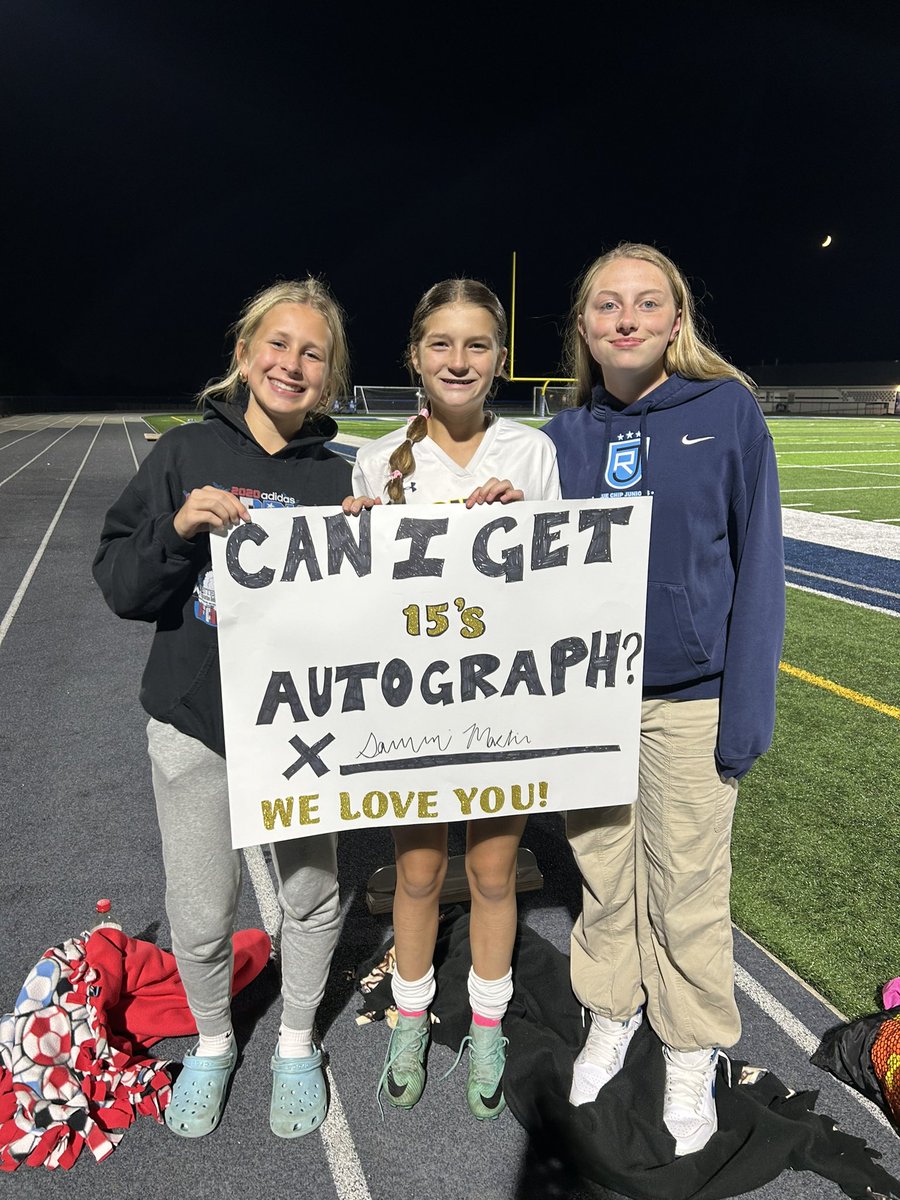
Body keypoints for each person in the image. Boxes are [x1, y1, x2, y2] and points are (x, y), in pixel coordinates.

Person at [92, 278, 353, 1140]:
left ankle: (293, 1041)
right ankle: (212, 1040)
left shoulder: (341, 477)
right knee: (202, 909)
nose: (293, 364)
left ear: (330, 376)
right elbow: (121, 587)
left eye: (313, 353)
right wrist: (173, 530)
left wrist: (376, 543)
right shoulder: (181, 456)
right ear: (244, 354)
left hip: (302, 730)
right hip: (195, 725)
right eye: (278, 344)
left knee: (312, 894)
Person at [543, 243, 785, 1156]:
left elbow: (759, 562)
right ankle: (613, 1010)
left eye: (648, 303)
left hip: (691, 701)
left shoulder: (726, 412)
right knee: (605, 875)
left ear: (677, 322)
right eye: (608, 305)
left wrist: (744, 711)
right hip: (590, 698)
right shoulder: (560, 439)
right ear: (585, 328)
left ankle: (692, 1048)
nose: (627, 319)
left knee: (687, 883)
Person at [344, 278, 560, 1119]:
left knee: (497, 871)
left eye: (477, 345)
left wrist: (523, 525)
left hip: (500, 700)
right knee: (420, 871)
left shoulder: (532, 454)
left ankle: (489, 1023)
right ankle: (408, 1017)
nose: (459, 360)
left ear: (500, 359)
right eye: (442, 344)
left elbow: (559, 587)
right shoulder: (374, 459)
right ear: (414, 355)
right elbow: (357, 605)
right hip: (413, 708)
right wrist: (350, 537)